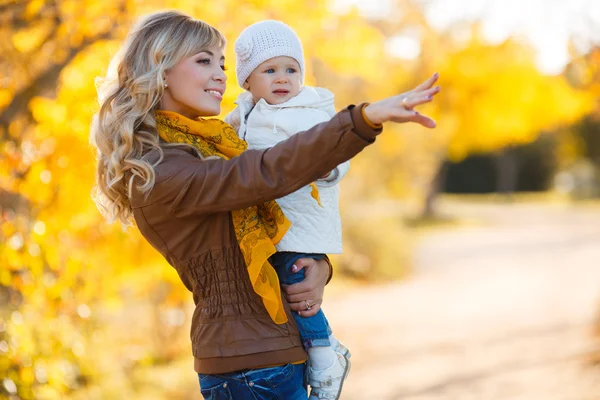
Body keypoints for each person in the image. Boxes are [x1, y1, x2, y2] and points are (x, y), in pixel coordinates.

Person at [90, 10, 440, 400]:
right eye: (204, 60)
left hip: (273, 355)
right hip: (248, 368)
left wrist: (317, 267)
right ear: (160, 69)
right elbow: (263, 173)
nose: (221, 74)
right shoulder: (160, 170)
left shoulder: (216, 142)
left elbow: (264, 228)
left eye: (222, 63)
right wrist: (362, 119)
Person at [225, 20, 352, 399]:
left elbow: (334, 146)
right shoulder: (241, 115)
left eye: (291, 69)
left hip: (299, 222)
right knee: (287, 282)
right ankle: (324, 345)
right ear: (247, 81)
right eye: (270, 70)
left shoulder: (305, 110)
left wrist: (328, 166)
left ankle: (325, 352)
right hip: (274, 224)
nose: (283, 78)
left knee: (296, 282)